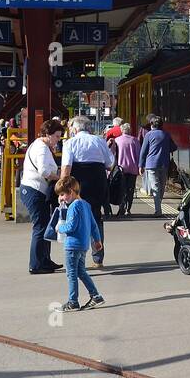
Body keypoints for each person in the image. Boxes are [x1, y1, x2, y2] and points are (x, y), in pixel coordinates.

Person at [60, 115, 113, 269]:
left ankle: (78, 259)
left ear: (75, 129)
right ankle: (98, 258)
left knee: (76, 219)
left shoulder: (69, 143)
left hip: (78, 186)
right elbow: (110, 164)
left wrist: (62, 191)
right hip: (98, 183)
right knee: (96, 218)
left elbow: (66, 168)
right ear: (88, 128)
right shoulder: (99, 141)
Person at [18, 118, 64, 275]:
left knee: (45, 225)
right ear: (48, 134)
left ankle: (45, 260)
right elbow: (44, 171)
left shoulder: (40, 145)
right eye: (57, 136)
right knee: (40, 227)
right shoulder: (42, 148)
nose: (58, 139)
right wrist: (60, 178)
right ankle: (36, 264)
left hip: (35, 190)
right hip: (34, 190)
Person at [52, 176, 105, 313]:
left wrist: (59, 228)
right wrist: (97, 241)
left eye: (62, 194)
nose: (61, 198)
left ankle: (73, 301)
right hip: (83, 245)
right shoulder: (86, 205)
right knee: (81, 271)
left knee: (71, 274)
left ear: (71, 191)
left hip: (72, 246)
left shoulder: (74, 206)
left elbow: (71, 226)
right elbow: (94, 225)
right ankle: (96, 296)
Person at [136, 114, 176, 217]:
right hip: (164, 164)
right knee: (162, 186)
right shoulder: (166, 134)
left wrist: (141, 165)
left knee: (155, 187)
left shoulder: (149, 135)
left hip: (151, 164)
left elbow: (143, 151)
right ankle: (158, 207)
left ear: (152, 125)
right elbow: (174, 147)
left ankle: (158, 210)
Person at [113, 123, 141, 216]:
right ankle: (128, 209)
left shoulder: (117, 140)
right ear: (130, 130)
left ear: (122, 130)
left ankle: (122, 207)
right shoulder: (135, 140)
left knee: (121, 189)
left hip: (121, 169)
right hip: (133, 168)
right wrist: (140, 167)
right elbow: (138, 155)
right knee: (130, 189)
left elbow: (114, 155)